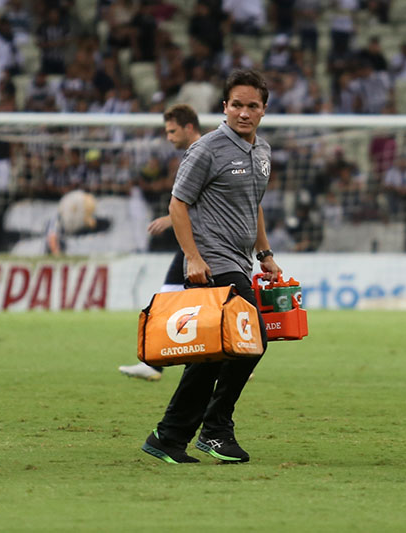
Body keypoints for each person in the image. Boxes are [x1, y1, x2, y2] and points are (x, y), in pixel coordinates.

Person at [141, 69, 281, 464]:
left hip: (239, 260)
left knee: (215, 353)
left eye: (252, 105)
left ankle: (170, 435)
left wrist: (265, 254)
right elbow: (177, 204)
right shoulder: (206, 149)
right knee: (250, 339)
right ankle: (215, 430)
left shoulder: (263, 152)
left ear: (263, 110)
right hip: (213, 262)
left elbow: (253, 206)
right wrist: (193, 257)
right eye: (236, 104)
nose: (243, 112)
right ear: (224, 107)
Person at [119, 104, 202, 382]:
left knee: (173, 300)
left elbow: (206, 198)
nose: (168, 137)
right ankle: (155, 364)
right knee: (178, 301)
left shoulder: (202, 153)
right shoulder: (198, 152)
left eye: (172, 131)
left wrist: (170, 219)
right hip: (197, 241)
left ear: (188, 127)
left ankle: (155, 364)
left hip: (203, 242)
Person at [45, 190, 96, 256]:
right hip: (50, 260)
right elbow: (52, 239)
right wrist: (57, 255)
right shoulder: (56, 221)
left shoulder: (64, 225)